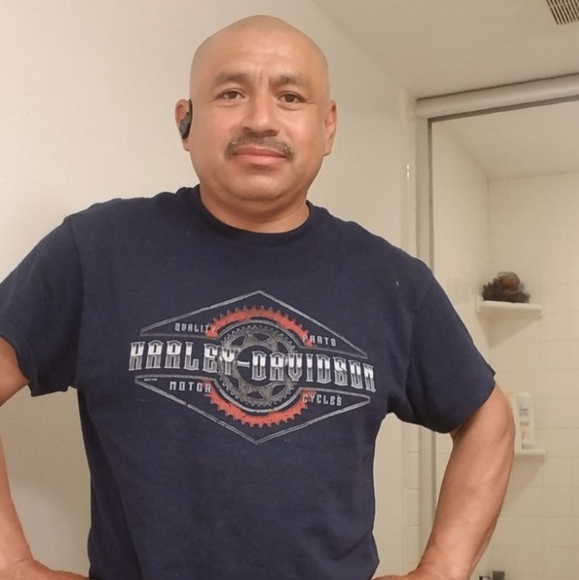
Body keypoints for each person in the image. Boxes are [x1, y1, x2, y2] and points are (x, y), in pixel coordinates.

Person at [0, 15, 514, 580]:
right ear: (186, 122)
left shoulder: (393, 281)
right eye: (231, 93)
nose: (261, 119)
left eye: (290, 96)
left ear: (328, 127)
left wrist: (443, 569)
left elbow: (487, 419)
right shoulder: (96, 251)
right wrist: (13, 564)